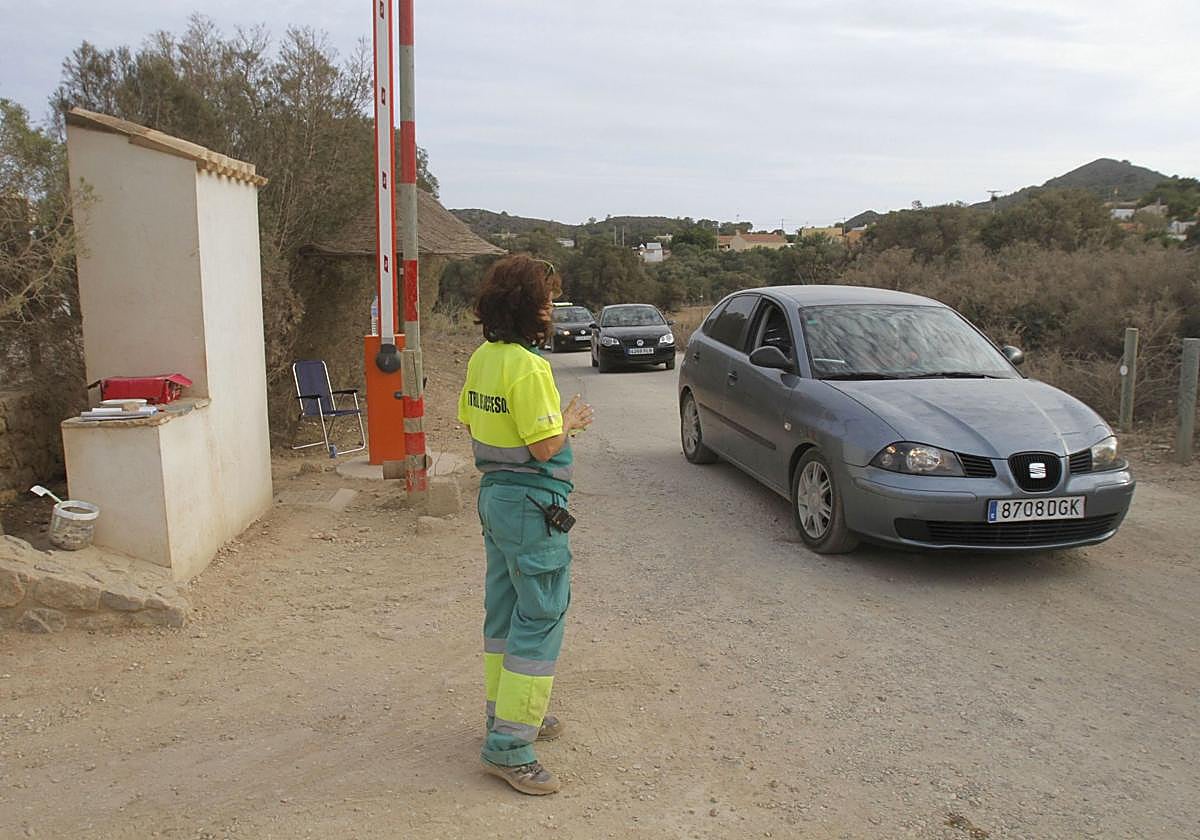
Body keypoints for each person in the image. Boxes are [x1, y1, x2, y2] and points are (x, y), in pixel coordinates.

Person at [457, 254, 594, 795]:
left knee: (506, 610)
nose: (552, 310)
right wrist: (571, 423)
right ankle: (510, 746)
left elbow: (473, 422)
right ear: (529, 308)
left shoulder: (483, 358)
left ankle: (506, 716)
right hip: (532, 504)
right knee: (541, 612)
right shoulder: (531, 367)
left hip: (495, 497)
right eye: (547, 301)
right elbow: (543, 445)